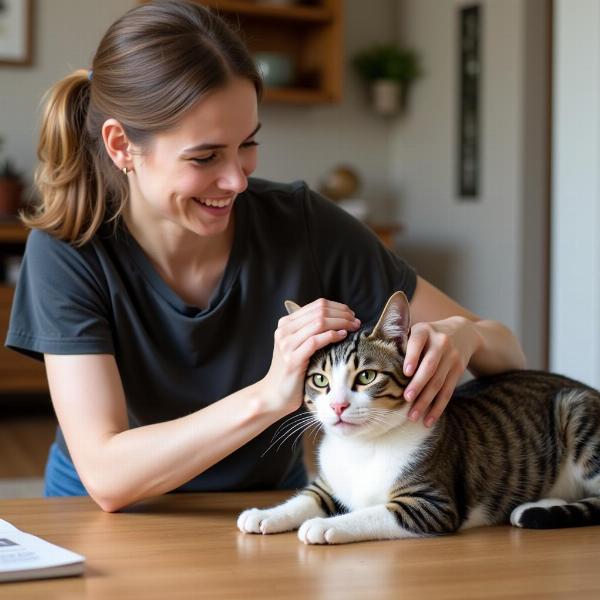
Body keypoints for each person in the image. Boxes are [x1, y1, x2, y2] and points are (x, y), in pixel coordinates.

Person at [5, 0, 525, 512]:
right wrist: (271, 395)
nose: (236, 180)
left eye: (247, 144)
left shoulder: (304, 223)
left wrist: (466, 334)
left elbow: (509, 355)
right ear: (121, 146)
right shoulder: (68, 251)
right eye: (205, 156)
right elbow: (107, 476)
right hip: (109, 520)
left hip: (269, 512)